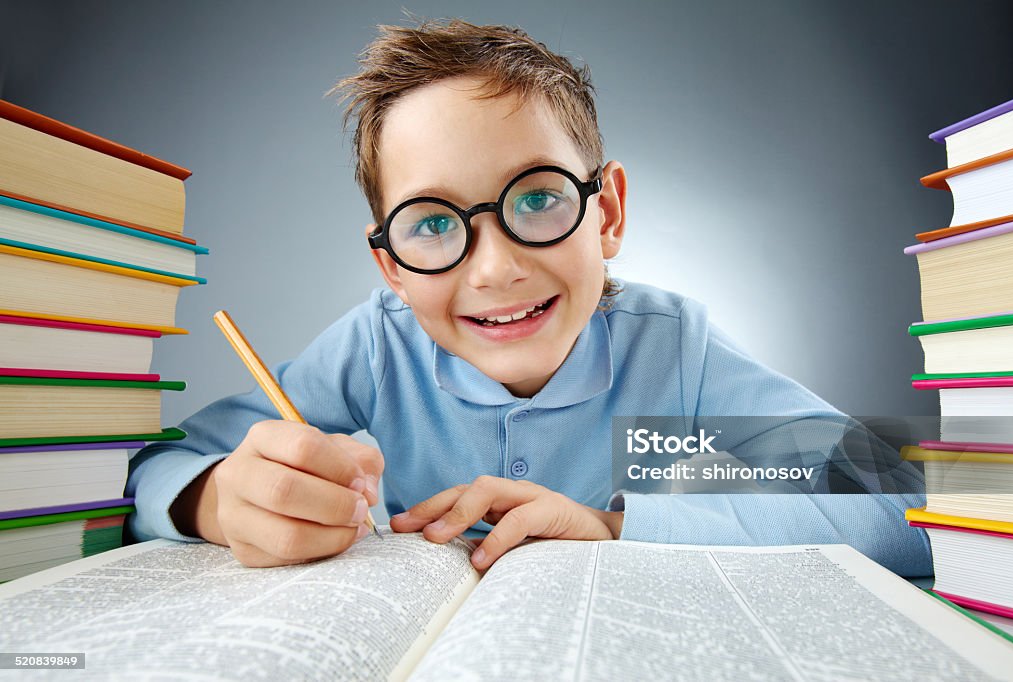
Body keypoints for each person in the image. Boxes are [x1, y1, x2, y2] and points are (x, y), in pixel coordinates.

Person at [127, 18, 931, 576]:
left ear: (607, 212)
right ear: (392, 269)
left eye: (538, 198)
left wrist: (615, 526)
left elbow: (917, 510)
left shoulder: (673, 357)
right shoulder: (374, 352)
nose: (494, 270)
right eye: (433, 223)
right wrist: (219, 501)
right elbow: (155, 468)